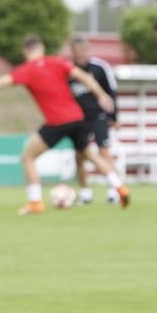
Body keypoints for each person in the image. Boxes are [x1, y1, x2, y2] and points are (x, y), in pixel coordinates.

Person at [0, 34, 129, 215]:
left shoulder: (26, 70)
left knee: (28, 157)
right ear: (41, 48)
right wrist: (102, 96)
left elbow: (3, 82)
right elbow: (86, 78)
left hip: (57, 122)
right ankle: (120, 187)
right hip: (77, 117)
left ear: (25, 51)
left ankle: (35, 202)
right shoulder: (57, 62)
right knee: (92, 156)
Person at [68, 36, 119, 204]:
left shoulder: (99, 68)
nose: (80, 55)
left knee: (104, 151)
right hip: (77, 120)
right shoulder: (68, 70)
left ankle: (113, 190)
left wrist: (114, 116)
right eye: (76, 52)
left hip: (98, 116)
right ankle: (85, 192)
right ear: (72, 52)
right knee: (79, 155)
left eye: (83, 51)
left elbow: (111, 92)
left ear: (88, 51)